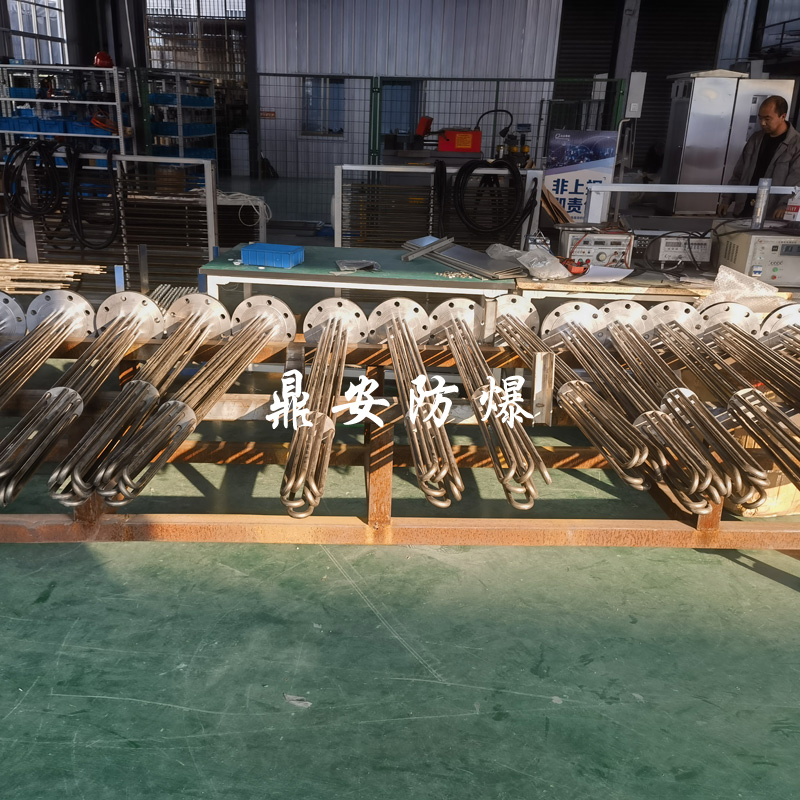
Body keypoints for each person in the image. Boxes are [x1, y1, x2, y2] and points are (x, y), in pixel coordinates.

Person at [718, 95, 800, 219]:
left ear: (783, 116)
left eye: (767, 118)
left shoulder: (796, 145)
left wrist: (785, 205)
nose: (762, 123)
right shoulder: (756, 139)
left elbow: (796, 181)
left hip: (771, 214)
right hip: (744, 209)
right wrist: (727, 198)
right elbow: (739, 172)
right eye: (760, 118)